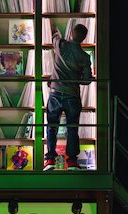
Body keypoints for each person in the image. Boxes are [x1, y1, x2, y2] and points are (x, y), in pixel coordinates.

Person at [44, 22, 92, 171]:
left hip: (55, 94)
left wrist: (54, 28)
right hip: (72, 95)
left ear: (71, 33)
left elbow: (54, 36)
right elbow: (87, 80)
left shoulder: (61, 45)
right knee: (72, 128)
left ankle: (50, 160)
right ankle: (72, 162)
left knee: (52, 127)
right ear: (84, 38)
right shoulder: (84, 57)